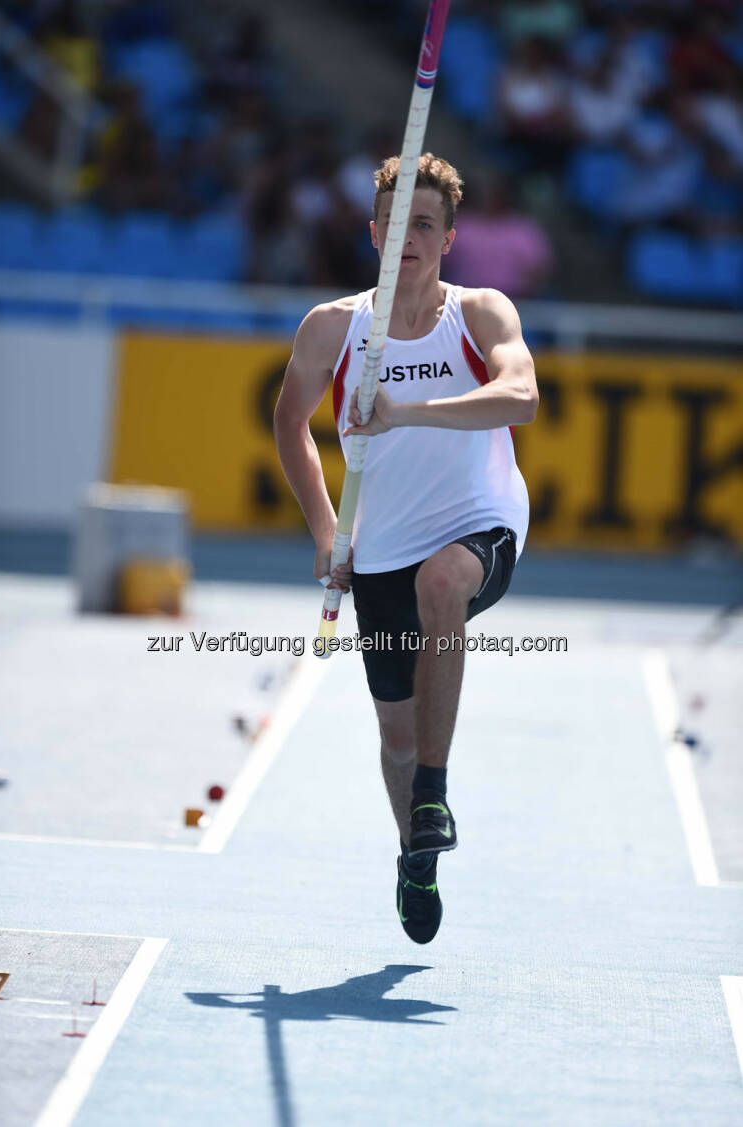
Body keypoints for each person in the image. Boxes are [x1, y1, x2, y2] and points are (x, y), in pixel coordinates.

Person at [274, 153, 538, 944]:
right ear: (374, 232)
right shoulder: (333, 327)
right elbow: (289, 424)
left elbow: (520, 397)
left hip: (479, 521)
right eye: (395, 223)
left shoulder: (481, 313)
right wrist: (327, 530)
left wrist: (406, 413)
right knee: (394, 735)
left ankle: (436, 788)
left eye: (424, 224)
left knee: (443, 582)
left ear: (449, 237)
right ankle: (414, 855)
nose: (408, 237)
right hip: (380, 546)